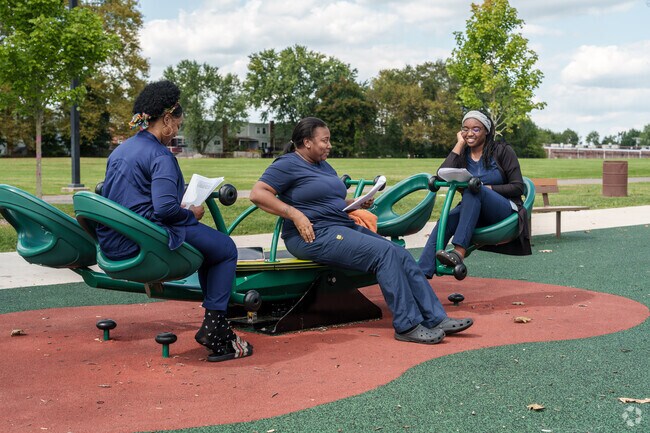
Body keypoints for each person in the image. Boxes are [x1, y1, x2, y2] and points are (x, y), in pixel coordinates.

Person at [249, 117, 473, 345]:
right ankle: (407, 325)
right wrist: (295, 214)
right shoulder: (287, 164)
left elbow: (326, 197)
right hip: (312, 234)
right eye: (324, 141)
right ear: (307, 142)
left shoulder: (322, 165)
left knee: (399, 253)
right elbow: (258, 193)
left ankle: (435, 318)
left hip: (339, 226)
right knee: (384, 254)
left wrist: (355, 201)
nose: (329, 145)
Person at [96, 80, 252, 362]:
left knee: (210, 249)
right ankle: (216, 326)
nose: (177, 131)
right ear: (166, 119)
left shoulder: (120, 151)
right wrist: (191, 212)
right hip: (145, 240)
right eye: (177, 124)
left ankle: (215, 320)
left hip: (115, 240)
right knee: (225, 248)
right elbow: (167, 209)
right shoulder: (160, 156)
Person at [418, 110, 532, 278]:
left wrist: (487, 189)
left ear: (486, 130)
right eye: (465, 129)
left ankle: (459, 252)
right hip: (473, 209)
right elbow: (442, 174)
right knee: (447, 218)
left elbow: (518, 187)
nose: (470, 133)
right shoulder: (463, 154)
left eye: (476, 129)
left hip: (505, 211)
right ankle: (420, 273)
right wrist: (459, 144)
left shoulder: (502, 151)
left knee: (474, 189)